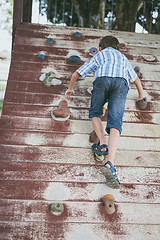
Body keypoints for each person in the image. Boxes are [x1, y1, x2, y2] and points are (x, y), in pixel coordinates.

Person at [65, 36, 146, 189]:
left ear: (101, 48)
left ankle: (102, 142)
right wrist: (142, 95)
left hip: (102, 80)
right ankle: (110, 162)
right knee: (115, 123)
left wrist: (70, 88)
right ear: (117, 48)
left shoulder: (99, 55)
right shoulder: (123, 58)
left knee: (95, 112)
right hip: (121, 83)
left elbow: (76, 73)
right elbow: (136, 80)